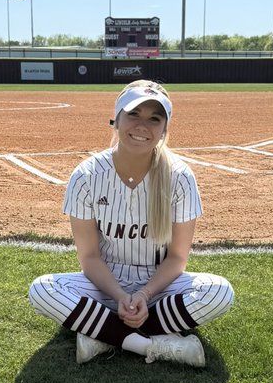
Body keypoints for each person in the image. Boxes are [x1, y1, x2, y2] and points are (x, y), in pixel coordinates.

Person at [28, 80, 234, 367]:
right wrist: (121, 295)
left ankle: (102, 334)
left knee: (220, 292)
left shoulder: (180, 177)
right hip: (104, 287)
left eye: (154, 118)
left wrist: (143, 294)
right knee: (42, 289)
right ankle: (151, 344)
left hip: (159, 288)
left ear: (164, 129)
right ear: (117, 119)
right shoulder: (87, 175)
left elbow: (177, 258)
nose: (142, 126)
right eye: (133, 114)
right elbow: (89, 258)